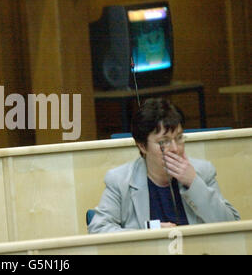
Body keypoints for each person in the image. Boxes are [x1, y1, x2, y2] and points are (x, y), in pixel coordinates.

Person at [88, 98, 240, 233]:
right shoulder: (120, 181)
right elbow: (98, 229)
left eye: (179, 138)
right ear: (142, 146)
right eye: (164, 142)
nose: (175, 148)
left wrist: (194, 183)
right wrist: (150, 232)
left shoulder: (202, 172)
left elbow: (232, 226)